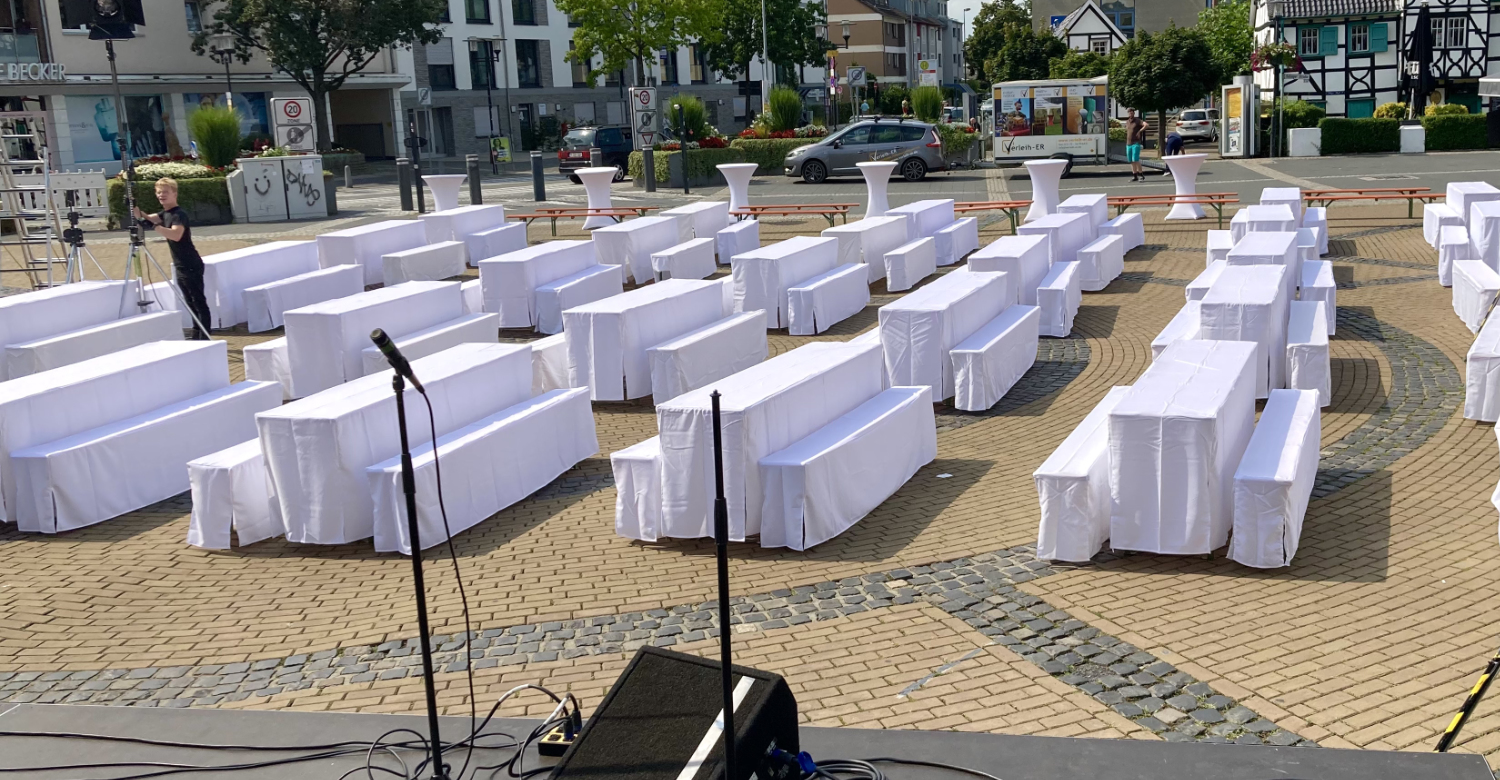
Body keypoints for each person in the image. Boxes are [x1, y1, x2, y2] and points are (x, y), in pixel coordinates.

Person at [135, 177, 211, 340]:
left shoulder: (178, 214)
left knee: (198, 300)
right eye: (159, 192)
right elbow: (148, 218)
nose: (161, 195)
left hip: (190, 262)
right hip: (180, 264)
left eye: (165, 192)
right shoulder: (165, 214)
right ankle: (197, 332)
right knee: (189, 301)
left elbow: (176, 235)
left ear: (174, 194)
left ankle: (205, 335)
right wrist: (135, 209)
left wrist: (155, 227)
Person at [1125, 108, 1147, 181]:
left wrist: (1139, 131)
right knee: (1131, 160)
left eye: (1132, 113)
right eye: (1129, 113)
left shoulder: (1138, 121)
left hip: (1136, 143)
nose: (1130, 114)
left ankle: (1141, 175)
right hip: (1129, 143)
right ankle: (1135, 176)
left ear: (1134, 113)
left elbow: (1146, 125)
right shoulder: (1127, 122)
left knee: (1135, 159)